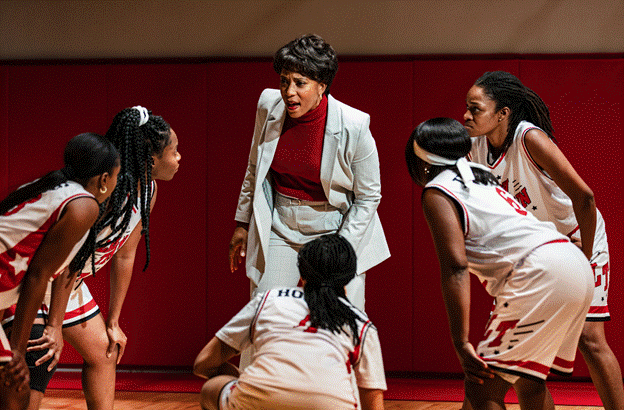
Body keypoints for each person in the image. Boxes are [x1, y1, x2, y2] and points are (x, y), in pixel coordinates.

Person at [405, 117, 594, 409]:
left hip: (540, 272)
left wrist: (460, 342)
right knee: (528, 381)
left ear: (421, 160)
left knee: (481, 387)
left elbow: (455, 267)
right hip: (571, 262)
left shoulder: (438, 191)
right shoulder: (483, 177)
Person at [3, 106, 181, 410]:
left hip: (66, 281)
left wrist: (114, 320)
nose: (179, 157)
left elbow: (125, 255)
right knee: (39, 362)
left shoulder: (147, 189)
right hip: (41, 277)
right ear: (152, 160)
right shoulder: (103, 194)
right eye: (174, 150)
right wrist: (54, 326)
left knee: (105, 349)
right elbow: (63, 264)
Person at [465, 71, 624, 410]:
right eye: (466, 107)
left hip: (581, 239)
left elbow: (585, 197)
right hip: (537, 256)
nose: (466, 115)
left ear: (502, 113)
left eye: (475, 108)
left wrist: (584, 252)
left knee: (591, 340)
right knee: (525, 360)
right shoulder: (474, 149)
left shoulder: (529, 139)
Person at [228, 34, 389, 313]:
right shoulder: (268, 105)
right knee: (266, 316)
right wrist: (243, 222)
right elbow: (255, 166)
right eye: (284, 80)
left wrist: (338, 251)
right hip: (280, 224)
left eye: (300, 83)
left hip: (335, 227)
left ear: (321, 87)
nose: (289, 91)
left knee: (336, 322)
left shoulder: (354, 125)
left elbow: (368, 197)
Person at [195, 233, 386, 410]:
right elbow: (373, 402)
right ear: (348, 278)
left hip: (257, 401)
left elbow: (202, 363)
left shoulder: (269, 299)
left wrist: (245, 380)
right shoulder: (360, 322)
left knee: (210, 389)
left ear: (302, 275)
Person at [0, 133, 119, 410]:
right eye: (116, 175)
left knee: (12, 389)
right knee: (15, 386)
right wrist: (17, 347)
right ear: (103, 180)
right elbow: (38, 275)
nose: (116, 182)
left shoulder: (49, 187)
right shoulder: (84, 205)